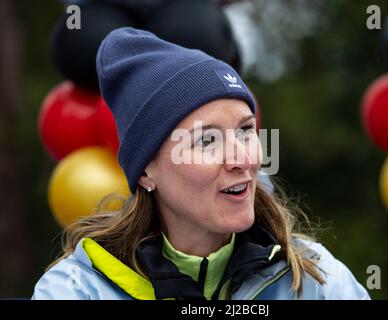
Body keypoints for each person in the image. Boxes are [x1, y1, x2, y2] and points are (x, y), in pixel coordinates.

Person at [32, 27, 370, 300]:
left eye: (245, 130)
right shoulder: (76, 290)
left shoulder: (315, 278)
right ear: (147, 170)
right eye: (207, 140)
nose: (242, 159)